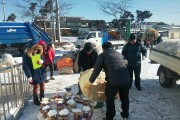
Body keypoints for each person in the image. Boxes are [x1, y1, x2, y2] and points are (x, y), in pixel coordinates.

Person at [88, 42, 130, 120]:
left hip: (113, 82)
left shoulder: (102, 55)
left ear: (103, 48)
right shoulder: (119, 54)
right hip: (126, 80)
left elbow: (96, 70)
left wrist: (91, 81)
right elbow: (125, 65)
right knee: (124, 99)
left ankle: (110, 117)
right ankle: (125, 115)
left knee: (110, 99)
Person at [22, 40, 45, 106]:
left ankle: (42, 97)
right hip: (33, 74)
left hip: (40, 73)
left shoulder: (38, 53)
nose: (35, 50)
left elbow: (43, 59)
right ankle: (35, 99)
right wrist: (29, 76)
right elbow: (25, 67)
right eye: (34, 49)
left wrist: (42, 61)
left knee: (42, 84)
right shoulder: (26, 56)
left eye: (37, 49)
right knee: (36, 86)